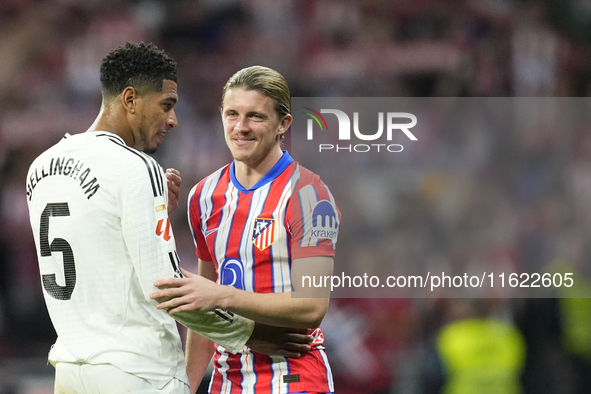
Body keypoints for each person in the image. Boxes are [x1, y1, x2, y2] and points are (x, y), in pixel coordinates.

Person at [26, 43, 310, 393]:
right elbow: (165, 286)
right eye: (166, 105)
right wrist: (249, 333)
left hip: (70, 368)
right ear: (130, 100)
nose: (173, 120)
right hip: (137, 372)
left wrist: (149, 206)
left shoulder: (43, 167)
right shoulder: (137, 167)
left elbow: (99, 248)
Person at [151, 65, 340, 394]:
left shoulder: (308, 194)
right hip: (228, 381)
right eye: (231, 114)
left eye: (255, 116)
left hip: (293, 377)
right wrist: (185, 386)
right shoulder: (204, 196)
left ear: (283, 124)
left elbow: (312, 306)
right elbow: (203, 308)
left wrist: (221, 295)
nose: (240, 127)